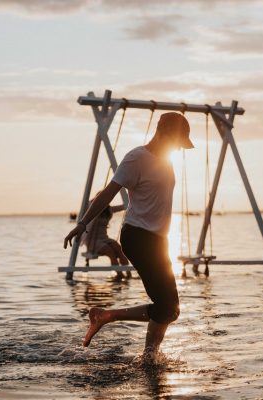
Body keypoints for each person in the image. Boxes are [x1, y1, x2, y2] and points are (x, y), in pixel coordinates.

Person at [64, 112, 194, 359]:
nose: (179, 147)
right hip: (138, 236)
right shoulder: (136, 158)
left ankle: (112, 322)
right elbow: (107, 193)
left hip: (158, 240)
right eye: (178, 140)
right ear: (164, 130)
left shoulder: (166, 162)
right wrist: (82, 224)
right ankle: (149, 356)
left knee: (171, 309)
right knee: (166, 305)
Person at [80, 202, 131, 281]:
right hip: (93, 241)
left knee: (120, 249)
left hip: (105, 238)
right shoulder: (92, 209)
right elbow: (86, 204)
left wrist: (131, 201)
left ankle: (128, 273)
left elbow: (123, 206)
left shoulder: (109, 209)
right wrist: (97, 201)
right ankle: (120, 275)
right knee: (110, 252)